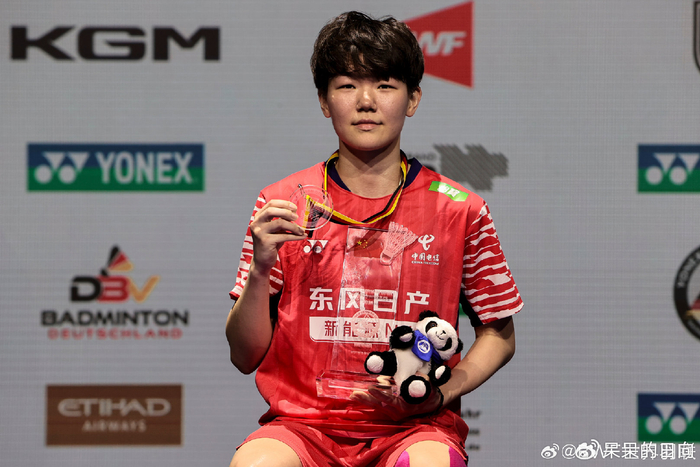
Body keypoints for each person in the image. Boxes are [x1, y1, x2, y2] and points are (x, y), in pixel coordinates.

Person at [226, 11, 522, 467]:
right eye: (347, 85)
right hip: (302, 428)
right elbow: (244, 356)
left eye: (384, 85)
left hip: (414, 429)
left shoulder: (460, 209)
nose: (366, 101)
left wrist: (441, 393)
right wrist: (261, 268)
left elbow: (499, 335)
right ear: (324, 101)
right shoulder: (283, 203)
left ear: (413, 98)